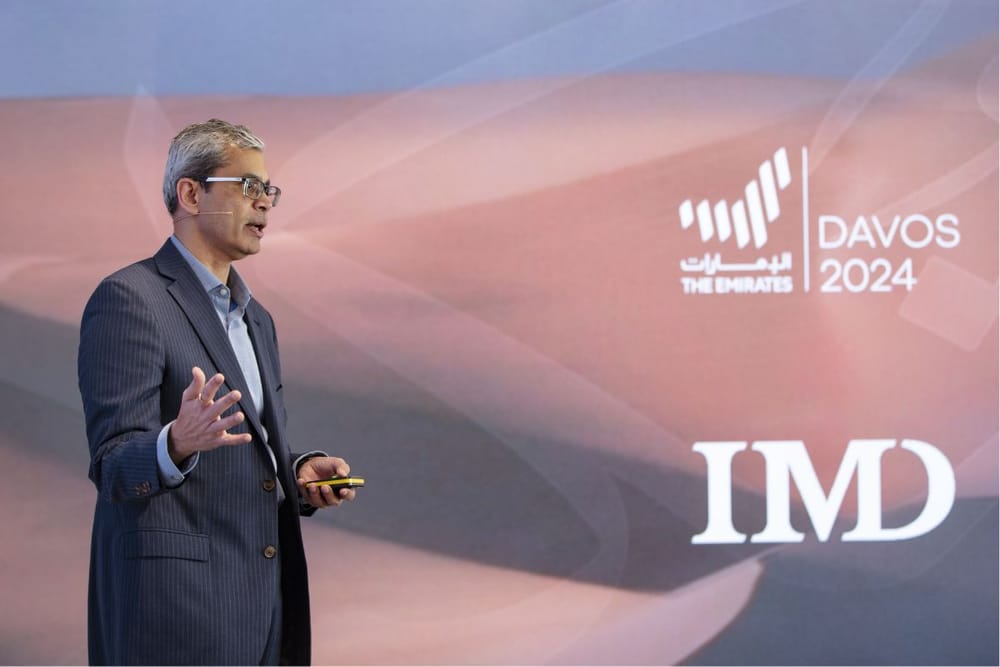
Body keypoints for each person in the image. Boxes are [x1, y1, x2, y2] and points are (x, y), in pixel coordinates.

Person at [78, 118, 354, 665]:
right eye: (248, 186)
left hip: (264, 608)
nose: (265, 202)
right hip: (173, 616)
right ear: (190, 194)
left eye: (269, 190)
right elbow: (112, 467)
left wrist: (297, 473)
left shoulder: (258, 320)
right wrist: (175, 442)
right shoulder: (130, 299)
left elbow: (246, 453)